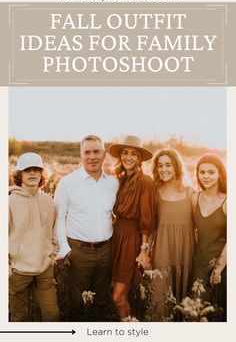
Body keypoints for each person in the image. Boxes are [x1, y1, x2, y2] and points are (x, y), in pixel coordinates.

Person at [54, 135, 119, 321]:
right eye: (87, 152)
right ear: (81, 155)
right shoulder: (67, 183)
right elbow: (59, 219)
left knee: (102, 300)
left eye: (96, 152)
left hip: (106, 250)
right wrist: (66, 249)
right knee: (77, 302)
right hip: (79, 251)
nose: (92, 157)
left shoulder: (113, 184)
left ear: (104, 155)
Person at [108, 135, 156, 321]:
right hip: (116, 237)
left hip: (131, 240)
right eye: (125, 153)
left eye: (133, 154)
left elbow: (147, 220)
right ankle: (128, 324)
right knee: (121, 295)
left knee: (117, 296)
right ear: (120, 157)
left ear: (139, 159)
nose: (128, 157)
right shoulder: (119, 180)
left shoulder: (146, 182)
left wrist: (144, 250)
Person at [9, 152, 60, 322]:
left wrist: (51, 255)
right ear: (19, 175)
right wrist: (7, 268)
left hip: (44, 269)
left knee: (52, 315)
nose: (32, 173)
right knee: (19, 318)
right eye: (27, 170)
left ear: (41, 174)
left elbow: (53, 233)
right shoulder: (8, 201)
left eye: (36, 170)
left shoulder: (48, 201)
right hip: (17, 271)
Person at [151, 148, 195, 321]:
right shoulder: (154, 193)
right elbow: (148, 225)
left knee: (185, 298)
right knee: (162, 300)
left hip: (186, 250)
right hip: (163, 250)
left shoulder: (190, 192)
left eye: (168, 165)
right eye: (160, 165)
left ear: (176, 166)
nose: (164, 169)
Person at [190, 153, 227, 321]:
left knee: (220, 311)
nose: (206, 176)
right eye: (202, 172)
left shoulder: (228, 201)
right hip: (199, 261)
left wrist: (219, 268)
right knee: (198, 310)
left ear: (220, 174)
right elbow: (190, 230)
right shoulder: (194, 198)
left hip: (223, 263)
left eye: (211, 172)